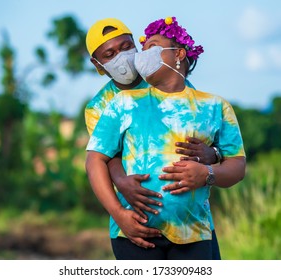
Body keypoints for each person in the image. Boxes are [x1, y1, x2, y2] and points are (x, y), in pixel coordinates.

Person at [85, 18, 233, 259]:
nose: (122, 57)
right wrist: (121, 182)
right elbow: (105, 155)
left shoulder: (165, 77)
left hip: (192, 225)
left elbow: (203, 135)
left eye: (125, 47)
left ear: (135, 44)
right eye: (110, 54)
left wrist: (213, 154)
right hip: (139, 217)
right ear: (98, 64)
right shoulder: (100, 106)